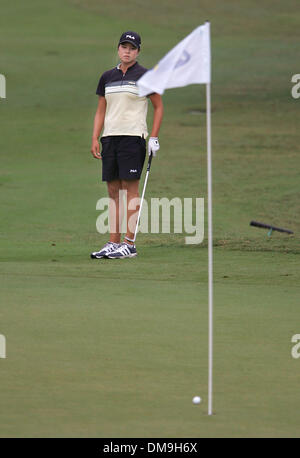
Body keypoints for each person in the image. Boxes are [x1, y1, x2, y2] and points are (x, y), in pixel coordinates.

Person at [90, 31, 163, 259]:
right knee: (112, 191)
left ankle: (129, 244)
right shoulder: (107, 77)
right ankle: (113, 242)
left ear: (138, 51)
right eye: (124, 47)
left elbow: (158, 107)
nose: (127, 51)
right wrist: (95, 137)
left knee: (131, 191)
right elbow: (101, 110)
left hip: (133, 138)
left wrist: (153, 136)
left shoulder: (145, 76)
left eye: (132, 48)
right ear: (118, 49)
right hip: (110, 138)